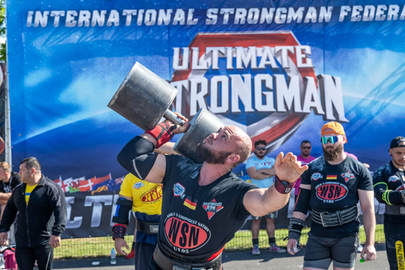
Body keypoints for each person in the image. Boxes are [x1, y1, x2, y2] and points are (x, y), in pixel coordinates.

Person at [115, 117, 307, 270]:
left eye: (223, 137)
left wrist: (284, 182)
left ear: (233, 157)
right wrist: (167, 128)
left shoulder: (237, 191)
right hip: (158, 265)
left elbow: (268, 202)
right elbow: (130, 156)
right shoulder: (177, 166)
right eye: (218, 132)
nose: (213, 135)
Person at [286, 121, 377, 270]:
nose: (329, 143)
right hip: (317, 235)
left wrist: (370, 243)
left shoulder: (359, 170)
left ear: (344, 139)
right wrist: (294, 235)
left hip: (347, 236)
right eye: (325, 139)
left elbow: (368, 209)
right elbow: (301, 205)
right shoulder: (310, 169)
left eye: (333, 139)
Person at [113, 142, 177, 269]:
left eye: (162, 154)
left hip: (172, 236)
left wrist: (155, 143)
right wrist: (118, 237)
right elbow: (122, 209)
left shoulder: (174, 173)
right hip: (145, 237)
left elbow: (184, 153)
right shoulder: (131, 178)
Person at [0, 157, 67, 270]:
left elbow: (60, 212)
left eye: (22, 170)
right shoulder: (18, 190)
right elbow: (9, 211)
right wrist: (3, 229)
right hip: (22, 242)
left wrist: (56, 233)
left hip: (44, 242)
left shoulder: (50, 188)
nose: (18, 173)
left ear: (32, 171)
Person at [246, 140, 285, 254]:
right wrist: (269, 173)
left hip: (270, 195)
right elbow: (253, 174)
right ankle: (255, 246)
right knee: (256, 220)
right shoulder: (250, 161)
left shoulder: (271, 160)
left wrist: (262, 171)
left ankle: (272, 245)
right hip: (255, 195)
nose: (261, 150)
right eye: (259, 148)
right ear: (255, 149)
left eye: (263, 148)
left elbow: (276, 172)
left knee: (270, 219)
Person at [373, 136, 405, 270]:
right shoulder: (383, 171)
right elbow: (380, 195)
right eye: (399, 153)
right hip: (395, 224)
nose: (403, 156)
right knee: (400, 264)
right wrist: (401, 195)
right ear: (390, 152)